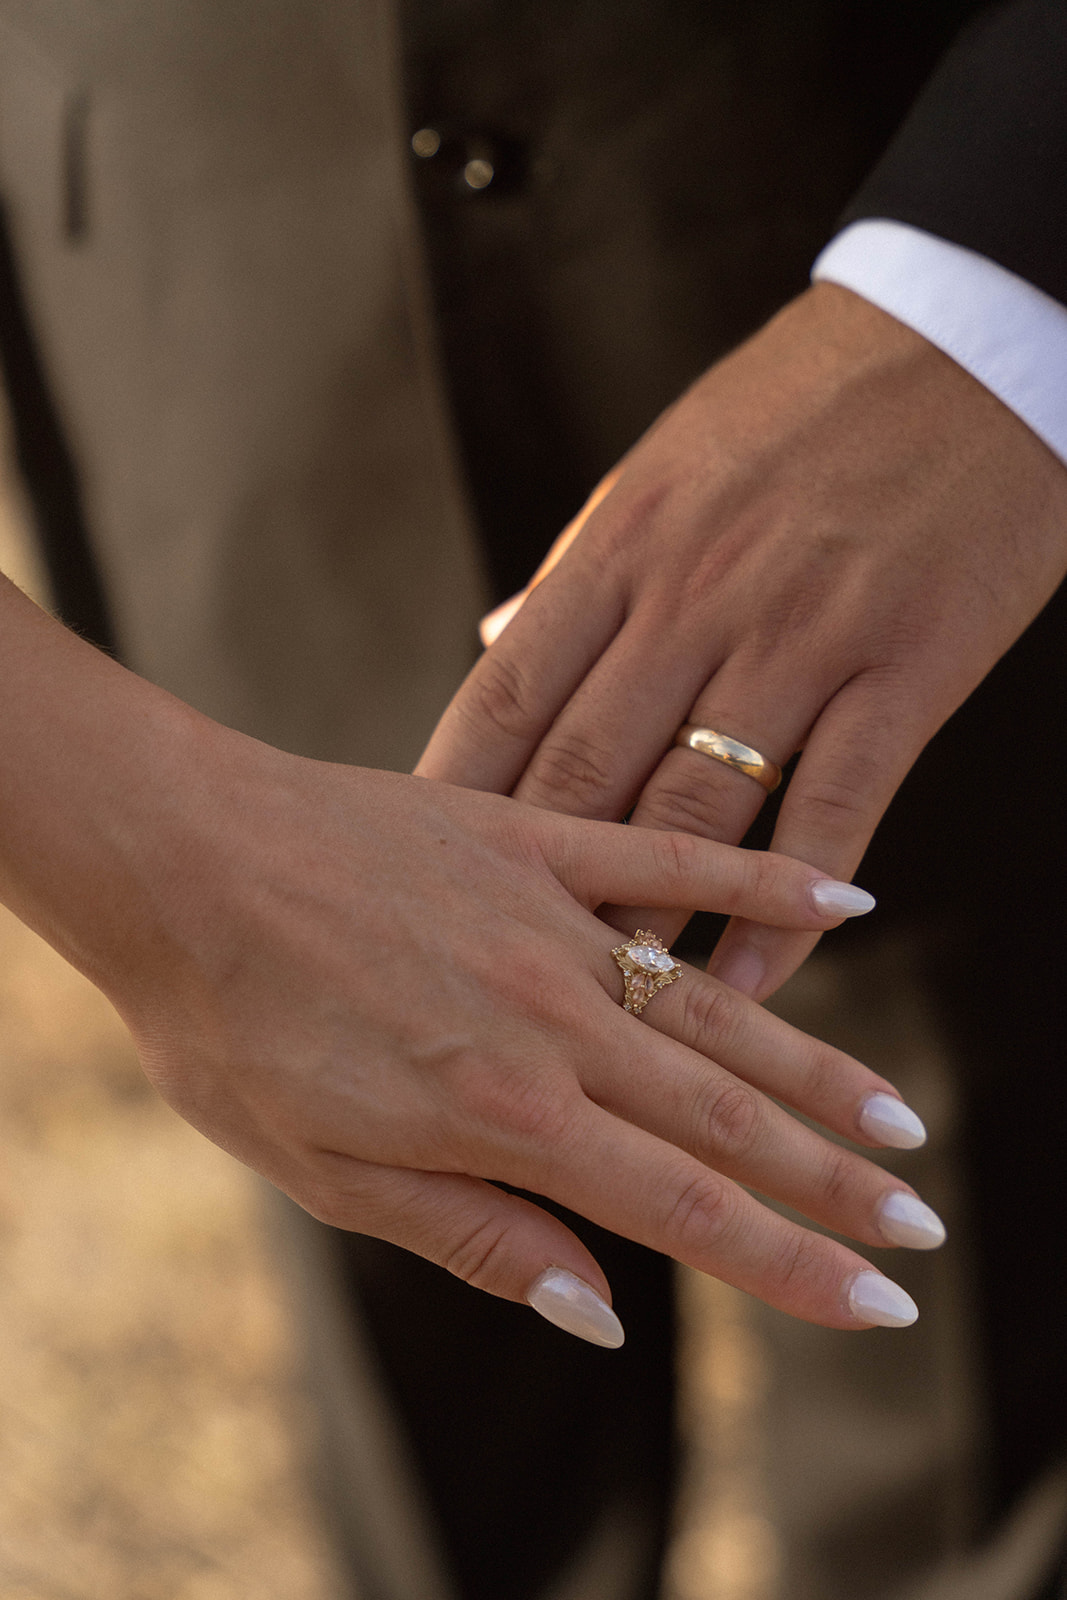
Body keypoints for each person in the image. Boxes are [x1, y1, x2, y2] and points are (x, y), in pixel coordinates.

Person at [0, 1, 1065, 1598]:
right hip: (205, 294)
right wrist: (120, 830)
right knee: (431, 1366)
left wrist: (1004, 303)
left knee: (993, 1316)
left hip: (908, 264)